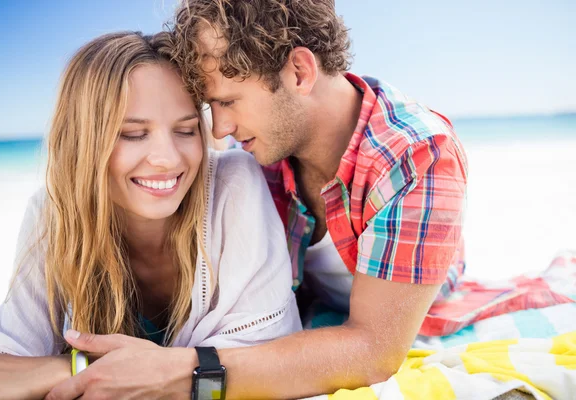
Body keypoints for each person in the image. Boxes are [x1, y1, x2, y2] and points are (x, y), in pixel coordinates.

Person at [162, 0, 469, 398]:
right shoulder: (260, 152)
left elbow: (375, 351)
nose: (220, 127)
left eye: (228, 101)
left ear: (299, 72)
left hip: (410, 301)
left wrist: (187, 374)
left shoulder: (419, 154)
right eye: (211, 106)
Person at [0, 31, 300, 400]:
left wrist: (68, 371)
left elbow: (264, 362)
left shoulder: (233, 186)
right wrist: (78, 369)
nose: (167, 158)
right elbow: (2, 368)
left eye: (186, 130)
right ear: (84, 142)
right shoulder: (54, 213)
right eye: (132, 134)